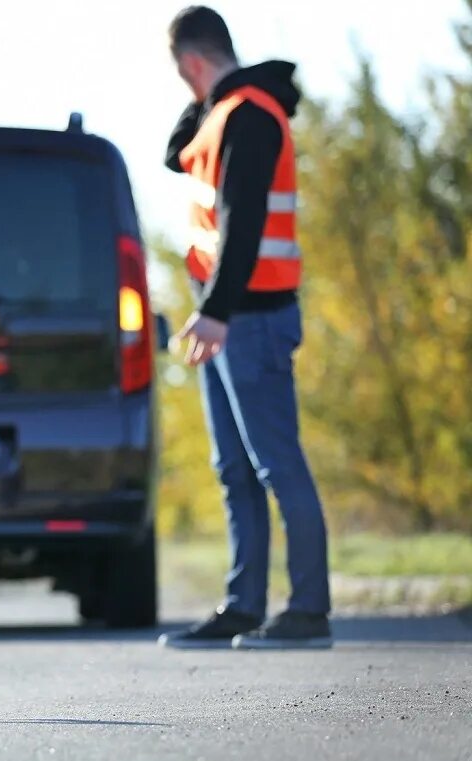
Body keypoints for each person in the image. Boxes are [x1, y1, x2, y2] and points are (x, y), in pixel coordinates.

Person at [158, 6, 333, 649]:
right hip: (228, 313)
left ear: (193, 64)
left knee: (275, 464)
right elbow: (174, 154)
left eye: (183, 75)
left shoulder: (253, 117)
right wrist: (211, 87)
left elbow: (244, 223)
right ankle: (243, 606)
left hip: (248, 317)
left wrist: (216, 312)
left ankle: (309, 611)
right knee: (233, 465)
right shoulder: (226, 111)